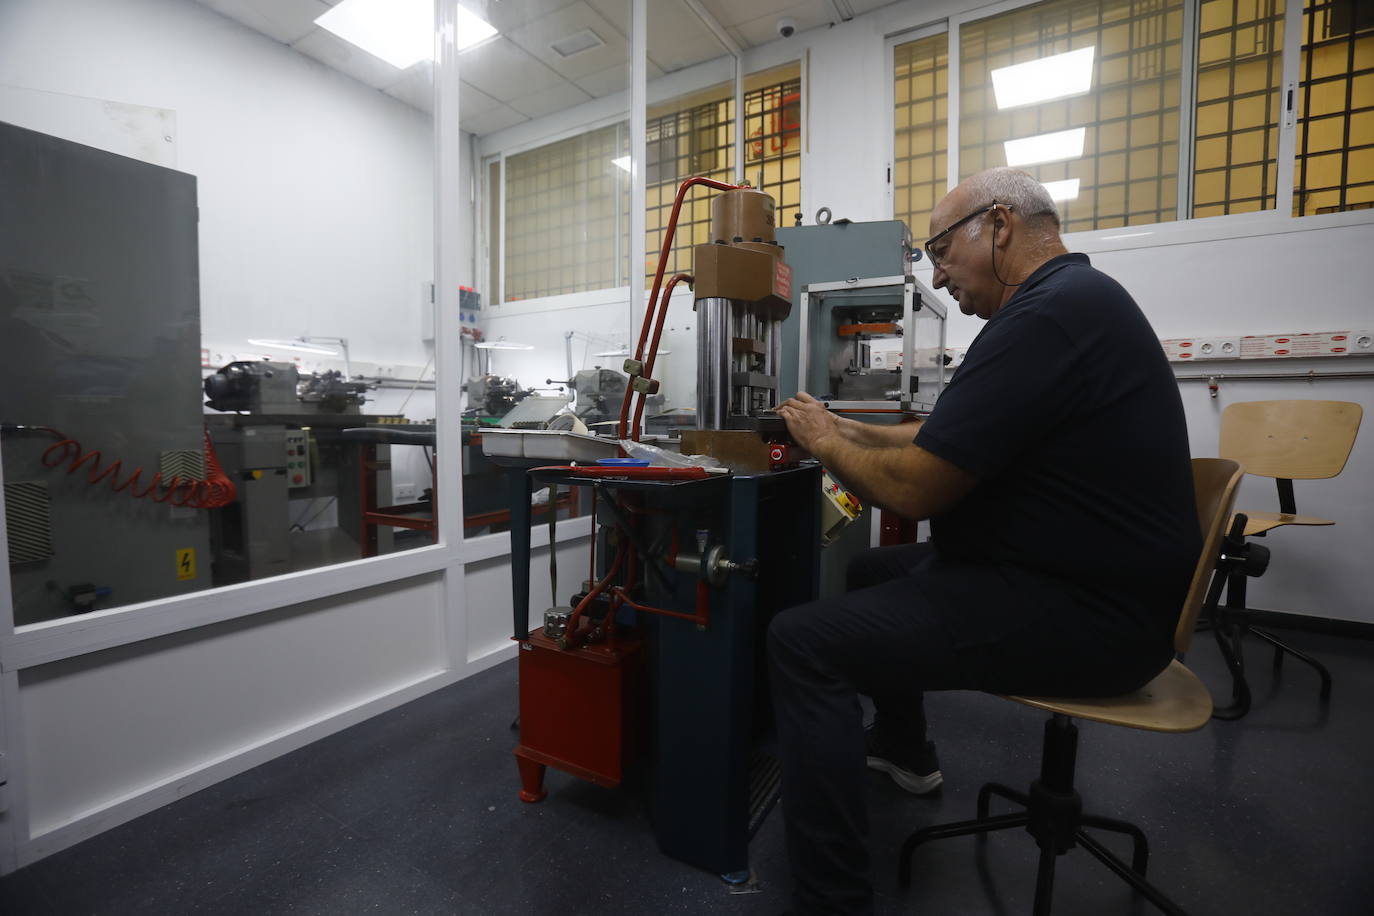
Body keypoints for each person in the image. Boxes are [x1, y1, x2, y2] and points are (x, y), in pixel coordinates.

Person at [769, 167, 1199, 915]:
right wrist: (840, 425)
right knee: (873, 567)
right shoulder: (1067, 303)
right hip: (1077, 576)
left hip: (1092, 612)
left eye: (941, 249)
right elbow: (939, 434)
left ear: (998, 226)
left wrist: (822, 442)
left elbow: (913, 486)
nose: (937, 273)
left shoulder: (1046, 318)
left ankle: (829, 898)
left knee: (802, 642)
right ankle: (906, 753)